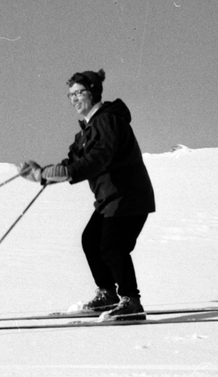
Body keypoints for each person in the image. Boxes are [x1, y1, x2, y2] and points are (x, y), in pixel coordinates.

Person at [19, 69, 155, 319]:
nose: (74, 99)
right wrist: (43, 174)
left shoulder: (107, 121)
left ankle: (131, 302)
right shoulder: (86, 131)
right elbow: (72, 162)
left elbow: (98, 159)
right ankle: (108, 295)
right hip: (110, 199)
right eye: (70, 95)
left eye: (79, 92)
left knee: (112, 246)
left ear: (93, 93)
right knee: (91, 240)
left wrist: (61, 172)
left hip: (127, 196)